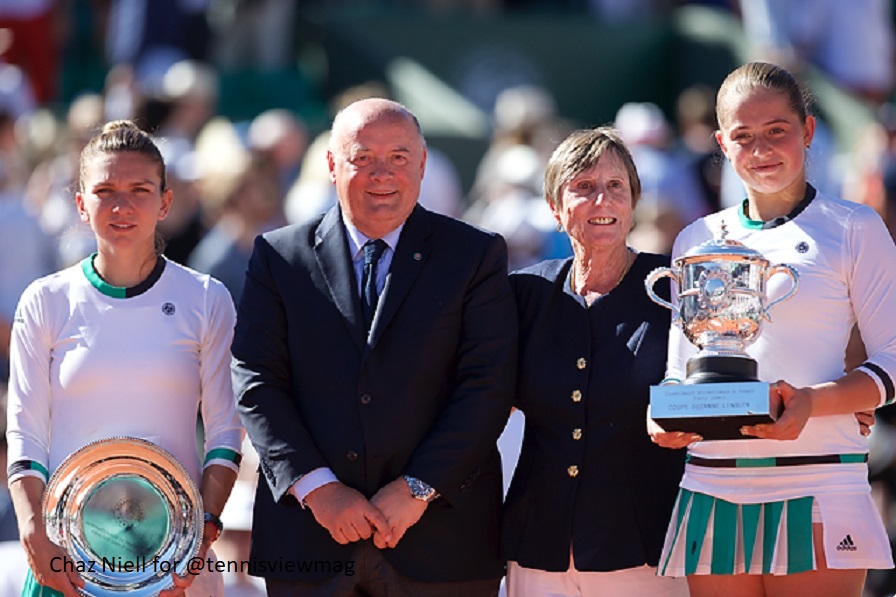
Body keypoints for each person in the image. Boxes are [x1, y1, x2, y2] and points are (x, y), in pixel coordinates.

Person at [231, 98, 517, 596]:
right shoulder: (279, 257)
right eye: (363, 158)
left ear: (423, 164)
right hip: (310, 543)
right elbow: (256, 381)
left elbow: (488, 384)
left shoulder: (474, 255)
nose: (382, 174)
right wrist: (318, 489)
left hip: (442, 543)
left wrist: (418, 488)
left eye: (399, 158)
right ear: (330, 165)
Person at [651, 61, 896, 597]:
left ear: (807, 131)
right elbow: (678, 368)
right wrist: (665, 414)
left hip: (821, 477)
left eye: (776, 132)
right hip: (713, 479)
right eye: (743, 136)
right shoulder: (696, 237)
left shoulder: (855, 228)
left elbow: (894, 364)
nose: (760, 149)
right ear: (721, 142)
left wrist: (811, 402)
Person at [6, 120, 244, 597]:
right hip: (66, 558)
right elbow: (25, 430)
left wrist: (205, 531)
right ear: (80, 204)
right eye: (105, 190)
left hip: (176, 563)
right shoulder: (44, 300)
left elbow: (225, 429)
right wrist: (33, 529)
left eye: (139, 189)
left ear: (166, 202)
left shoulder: (206, 298)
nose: (122, 205)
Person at [502, 126, 688, 596]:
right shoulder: (525, 293)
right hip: (538, 546)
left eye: (615, 187)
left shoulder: (674, 286)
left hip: (644, 549)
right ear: (554, 208)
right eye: (583, 187)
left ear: (632, 203)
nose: (601, 200)